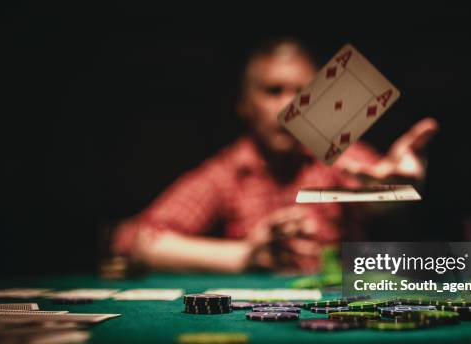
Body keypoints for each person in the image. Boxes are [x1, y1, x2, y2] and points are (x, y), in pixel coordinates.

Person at [112, 38, 439, 273]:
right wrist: (245, 255)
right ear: (243, 105)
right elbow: (134, 241)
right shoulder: (227, 171)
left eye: (302, 91)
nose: (289, 106)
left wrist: (400, 184)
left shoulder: (338, 155)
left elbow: (382, 194)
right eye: (273, 91)